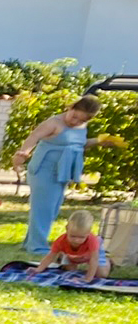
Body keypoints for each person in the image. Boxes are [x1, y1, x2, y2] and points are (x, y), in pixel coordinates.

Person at [13, 96, 104, 256]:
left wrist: (99, 141)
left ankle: (31, 242)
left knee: (51, 209)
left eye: (80, 120)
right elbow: (34, 136)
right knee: (44, 208)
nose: (75, 122)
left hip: (62, 172)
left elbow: (77, 144)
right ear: (71, 107)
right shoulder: (54, 122)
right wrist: (24, 152)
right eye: (74, 116)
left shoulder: (82, 126)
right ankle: (37, 246)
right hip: (43, 170)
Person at [37, 206, 105, 281]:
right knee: (70, 270)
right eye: (73, 236)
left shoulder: (92, 240)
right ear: (67, 229)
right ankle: (64, 257)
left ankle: (109, 262)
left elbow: (94, 259)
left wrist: (88, 278)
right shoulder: (61, 240)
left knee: (101, 274)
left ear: (88, 232)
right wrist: (38, 270)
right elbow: (50, 256)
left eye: (81, 237)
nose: (76, 240)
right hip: (73, 254)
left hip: (92, 254)